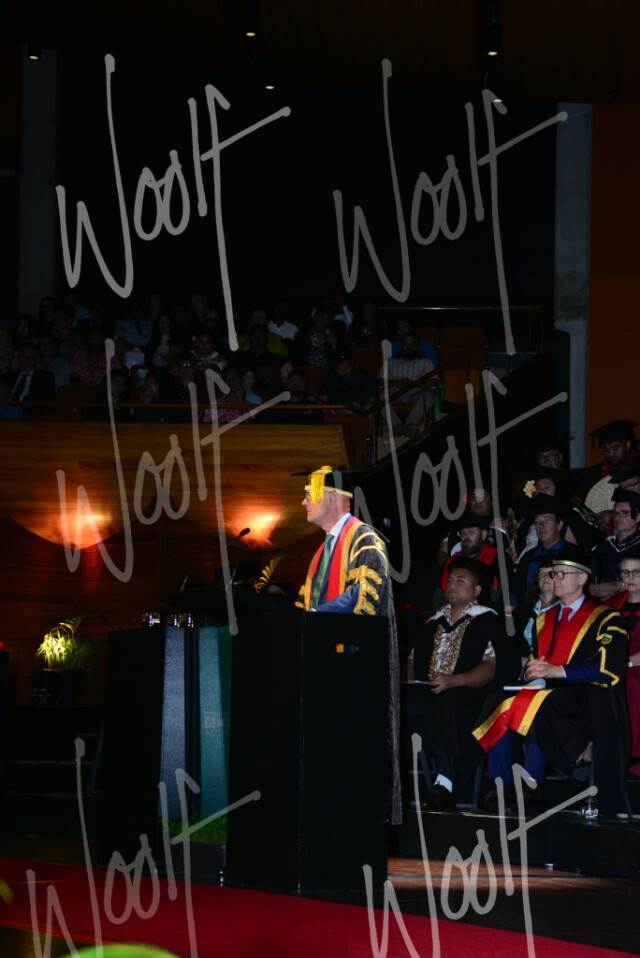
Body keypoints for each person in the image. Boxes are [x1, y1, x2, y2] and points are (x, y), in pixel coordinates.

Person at [475, 546, 628, 818]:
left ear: (581, 578)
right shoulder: (544, 618)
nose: (553, 579)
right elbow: (537, 659)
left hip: (584, 698)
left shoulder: (606, 617)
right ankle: (498, 788)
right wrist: (531, 673)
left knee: (545, 706)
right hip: (546, 693)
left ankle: (530, 790)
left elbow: (608, 668)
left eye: (560, 574)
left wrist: (560, 671)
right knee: (496, 701)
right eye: (552, 573)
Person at [296, 465, 401, 822]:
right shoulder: (320, 554)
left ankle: (355, 817)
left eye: (309, 495)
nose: (303, 502)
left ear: (333, 497)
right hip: (326, 662)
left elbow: (363, 596)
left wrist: (316, 616)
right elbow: (304, 605)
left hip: (354, 663)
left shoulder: (365, 539)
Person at [408, 556, 519, 810]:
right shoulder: (434, 623)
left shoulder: (487, 622)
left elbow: (491, 667)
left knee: (451, 701)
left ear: (476, 590)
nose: (451, 585)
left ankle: (444, 784)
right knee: (394, 705)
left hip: (472, 698)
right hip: (430, 694)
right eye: (449, 580)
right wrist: (413, 684)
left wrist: (454, 680)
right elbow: (413, 659)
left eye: (460, 580)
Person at [605, 549, 640, 777]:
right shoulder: (614, 603)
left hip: (633, 669)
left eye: (636, 572)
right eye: (625, 572)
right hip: (613, 667)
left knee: (629, 682)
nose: (630, 577)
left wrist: (623, 663)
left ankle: (633, 755)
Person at [378, 330, 437, 438]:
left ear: (418, 347)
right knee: (378, 396)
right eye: (405, 344)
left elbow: (434, 382)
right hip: (394, 393)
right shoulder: (390, 362)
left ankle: (406, 425)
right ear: (401, 346)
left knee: (429, 396)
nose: (408, 347)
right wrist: (394, 382)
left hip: (415, 393)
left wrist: (414, 384)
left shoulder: (426, 362)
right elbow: (379, 381)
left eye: (412, 344)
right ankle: (396, 425)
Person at [590, 489, 640, 598]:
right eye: (615, 513)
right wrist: (621, 585)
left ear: (638, 517)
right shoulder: (602, 548)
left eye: (624, 513)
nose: (618, 517)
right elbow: (592, 588)